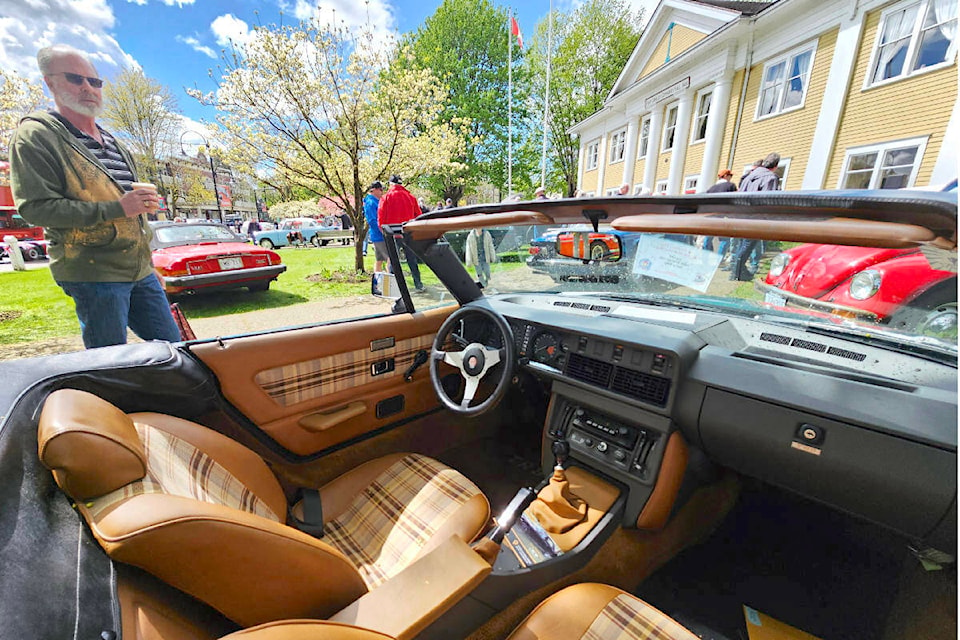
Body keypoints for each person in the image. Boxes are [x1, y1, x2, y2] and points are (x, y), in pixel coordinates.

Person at [9, 44, 181, 349]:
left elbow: (132, 215)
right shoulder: (36, 136)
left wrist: (147, 261)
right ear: (50, 82)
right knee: (109, 361)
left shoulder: (114, 142)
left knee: (172, 350)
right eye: (75, 79)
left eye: (95, 81)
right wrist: (117, 208)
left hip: (139, 269)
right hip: (93, 271)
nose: (88, 88)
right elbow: (35, 208)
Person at [731, 153, 781, 281]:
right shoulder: (770, 177)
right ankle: (737, 272)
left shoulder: (749, 176)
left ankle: (739, 271)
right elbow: (768, 201)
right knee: (747, 245)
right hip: (755, 218)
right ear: (775, 166)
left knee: (743, 244)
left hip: (741, 215)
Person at [377, 175, 424, 291]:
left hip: (392, 233)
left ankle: (394, 287)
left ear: (390, 184)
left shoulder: (386, 198)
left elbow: (381, 218)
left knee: (393, 261)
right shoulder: (411, 197)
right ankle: (418, 284)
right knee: (411, 260)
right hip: (408, 233)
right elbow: (418, 216)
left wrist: (384, 231)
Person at [703, 169, 738, 253]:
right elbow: (735, 201)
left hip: (710, 216)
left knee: (708, 238)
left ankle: (705, 257)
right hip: (723, 216)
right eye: (730, 176)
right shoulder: (730, 186)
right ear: (725, 176)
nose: (731, 178)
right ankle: (718, 260)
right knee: (724, 239)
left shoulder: (711, 189)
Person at [363, 181, 387, 272]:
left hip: (380, 234)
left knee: (379, 260)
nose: (382, 192)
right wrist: (382, 231)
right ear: (374, 190)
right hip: (379, 235)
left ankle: (378, 281)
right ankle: (391, 281)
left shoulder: (376, 201)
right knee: (389, 259)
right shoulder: (370, 202)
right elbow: (372, 220)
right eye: (380, 190)